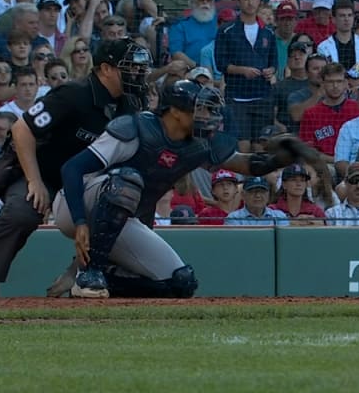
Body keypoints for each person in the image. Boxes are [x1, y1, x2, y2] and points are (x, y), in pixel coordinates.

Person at [56, 81, 309, 297]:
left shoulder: (199, 143)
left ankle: (101, 277)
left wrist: (282, 158)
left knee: (181, 283)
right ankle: (89, 273)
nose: (207, 117)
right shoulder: (136, 128)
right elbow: (72, 169)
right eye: (200, 110)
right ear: (176, 112)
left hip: (121, 218)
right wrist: (79, 222)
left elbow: (248, 165)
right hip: (74, 203)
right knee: (127, 180)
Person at [0, 38, 151, 298]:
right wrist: (34, 181)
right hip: (43, 172)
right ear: (106, 69)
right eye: (130, 67)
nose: (138, 74)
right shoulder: (74, 94)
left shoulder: (132, 104)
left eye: (140, 68)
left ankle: (81, 274)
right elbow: (21, 129)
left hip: (89, 180)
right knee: (24, 210)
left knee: (124, 206)